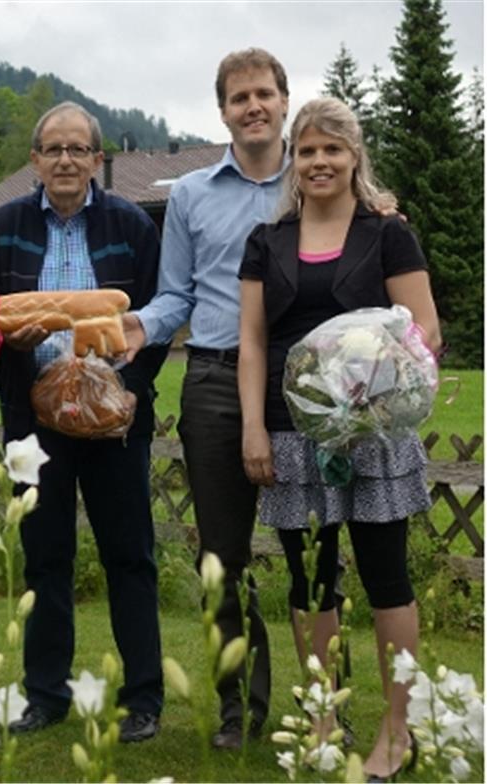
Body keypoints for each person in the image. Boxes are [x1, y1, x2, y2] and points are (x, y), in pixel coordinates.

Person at [238, 97, 439, 782]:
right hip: (293, 438)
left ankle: (397, 729)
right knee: (310, 583)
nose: (319, 161)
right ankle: (323, 719)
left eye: (333, 149)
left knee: (387, 581)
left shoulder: (388, 234)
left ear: (355, 156)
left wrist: (364, 395)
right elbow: (253, 343)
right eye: (308, 150)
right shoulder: (267, 242)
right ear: (293, 160)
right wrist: (254, 427)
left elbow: (423, 336)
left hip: (374, 436)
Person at [0, 102, 168, 742]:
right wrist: (11, 339)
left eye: (77, 149)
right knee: (44, 558)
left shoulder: (131, 224)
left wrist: (129, 390)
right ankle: (46, 695)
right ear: (35, 160)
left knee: (129, 555)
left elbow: (157, 319)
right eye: (52, 149)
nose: (64, 160)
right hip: (34, 420)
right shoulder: (2, 228)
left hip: (115, 418)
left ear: (97, 159)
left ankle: (143, 699)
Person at [122, 48, 290, 748]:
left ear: (284, 100)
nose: (252, 105)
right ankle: (239, 708)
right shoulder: (191, 194)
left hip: (307, 385)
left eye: (263, 93)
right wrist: (138, 326)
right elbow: (176, 294)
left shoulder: (315, 177)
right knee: (220, 556)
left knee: (317, 550)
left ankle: (323, 702)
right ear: (222, 111)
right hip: (215, 380)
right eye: (238, 97)